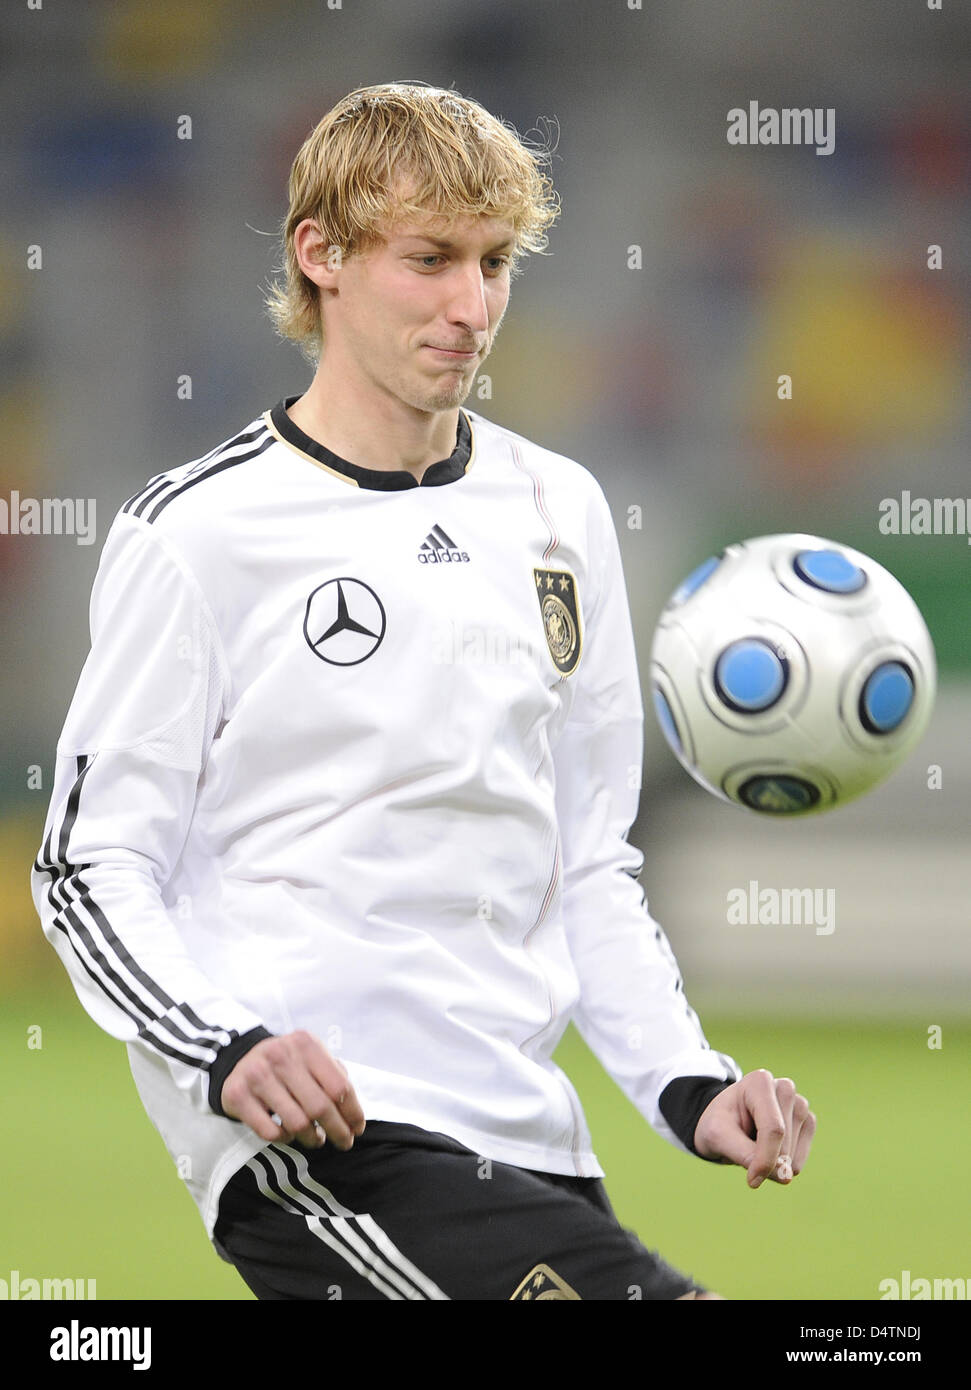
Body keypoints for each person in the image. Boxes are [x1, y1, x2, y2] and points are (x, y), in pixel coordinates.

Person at [31, 81, 815, 1301]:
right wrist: (224, 1049)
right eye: (430, 258)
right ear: (321, 255)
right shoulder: (196, 533)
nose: (471, 306)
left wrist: (688, 1080)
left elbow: (584, 861)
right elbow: (88, 865)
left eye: (495, 262)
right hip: (323, 1141)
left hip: (525, 1139)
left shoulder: (559, 513)